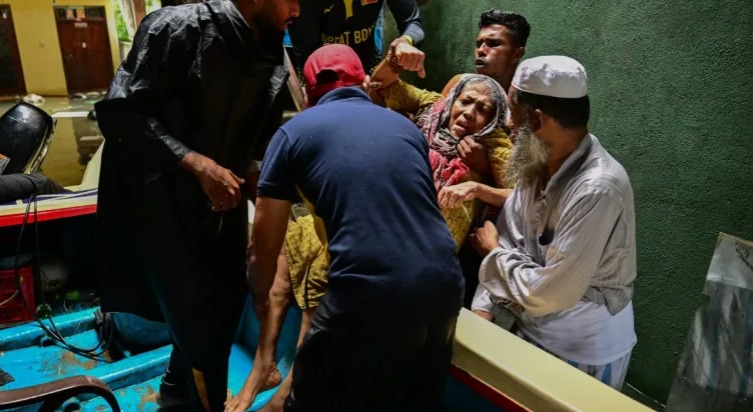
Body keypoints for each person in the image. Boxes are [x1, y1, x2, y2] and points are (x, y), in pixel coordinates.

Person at [226, 68, 510, 412]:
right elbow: (389, 82)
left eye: (483, 109)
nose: (468, 113)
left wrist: (480, 181)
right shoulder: (416, 125)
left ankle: (282, 389)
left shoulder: (489, 146)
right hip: (437, 280)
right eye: (465, 101)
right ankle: (268, 368)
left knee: (314, 392)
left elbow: (261, 247)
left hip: (383, 275)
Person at [93, 0, 300, 410]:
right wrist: (197, 164)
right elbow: (119, 113)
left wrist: (270, 201)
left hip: (224, 204)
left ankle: (175, 390)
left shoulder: (272, 46)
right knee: (198, 324)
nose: (297, 9)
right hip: (162, 205)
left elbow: (260, 140)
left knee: (225, 307)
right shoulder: (174, 28)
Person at [470, 56, 637, 390]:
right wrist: (482, 311)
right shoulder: (537, 162)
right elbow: (508, 239)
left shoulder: (598, 188)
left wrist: (492, 255)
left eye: (513, 114)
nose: (509, 125)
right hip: (527, 328)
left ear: (536, 119)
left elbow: (549, 294)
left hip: (582, 352)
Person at [287, 0, 426, 75]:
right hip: (321, 70)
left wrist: (405, 41)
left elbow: (413, 23)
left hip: (367, 64)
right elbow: (307, 52)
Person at [442, 9, 530, 95]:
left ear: (516, 54)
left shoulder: (527, 97)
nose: (480, 50)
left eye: (493, 44)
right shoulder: (458, 85)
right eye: (478, 44)